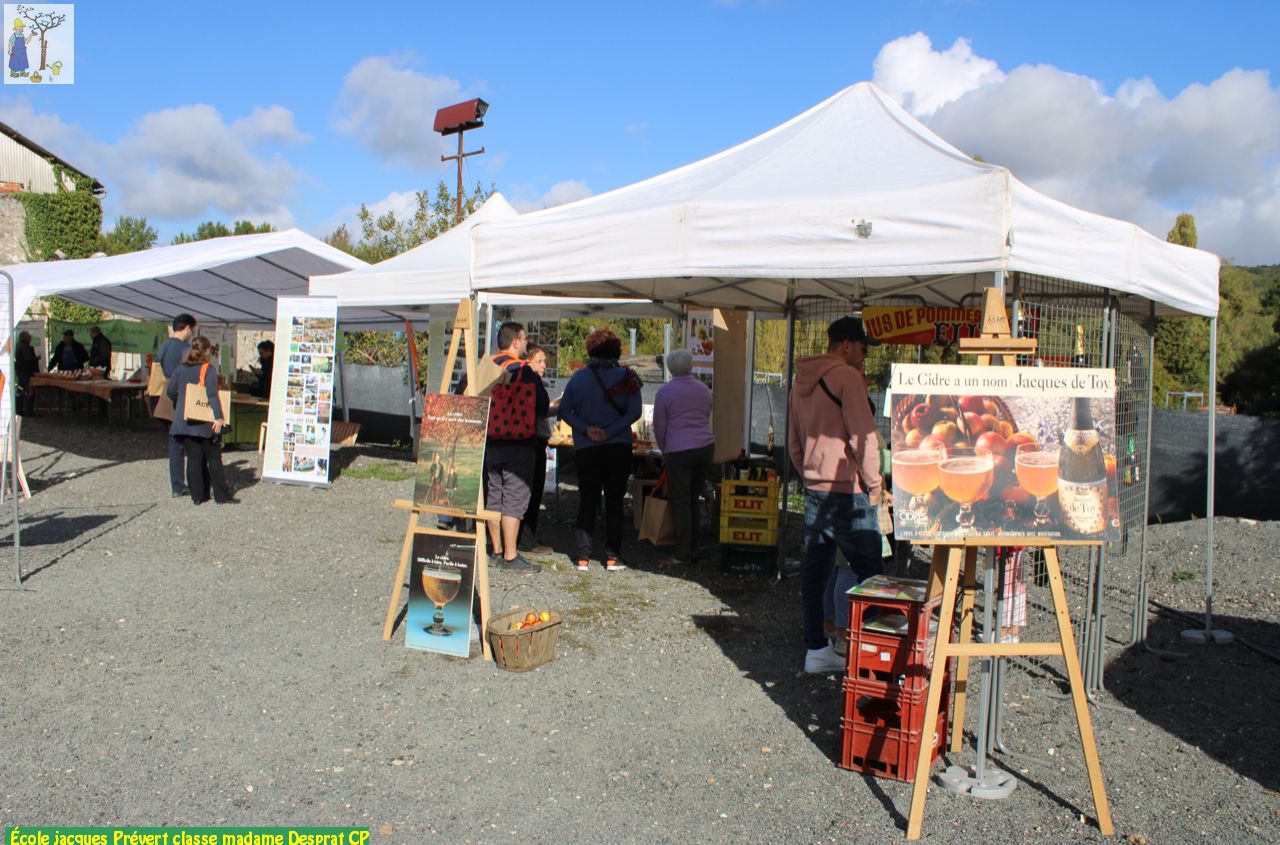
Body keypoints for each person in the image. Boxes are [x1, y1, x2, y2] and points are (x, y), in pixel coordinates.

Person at [788, 316, 884, 674]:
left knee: (816, 572)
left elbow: (794, 443)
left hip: (815, 490)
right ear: (846, 345)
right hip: (847, 491)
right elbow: (864, 438)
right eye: (863, 348)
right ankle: (872, 656)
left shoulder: (799, 383)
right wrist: (875, 485)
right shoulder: (847, 378)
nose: (865, 355)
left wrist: (811, 474)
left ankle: (816, 649)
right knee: (872, 573)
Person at [557, 328, 642, 572]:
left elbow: (564, 411)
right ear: (616, 351)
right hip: (618, 446)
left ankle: (582, 556)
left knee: (588, 499)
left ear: (591, 350)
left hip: (587, 447)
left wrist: (587, 430)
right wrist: (610, 431)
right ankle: (613, 556)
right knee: (615, 500)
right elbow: (634, 412)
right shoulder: (628, 378)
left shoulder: (579, 378)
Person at [483, 322, 549, 573]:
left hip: (491, 439)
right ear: (515, 342)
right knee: (515, 495)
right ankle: (511, 556)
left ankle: (496, 550)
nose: (525, 343)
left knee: (494, 493)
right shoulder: (524, 371)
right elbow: (542, 406)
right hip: (519, 440)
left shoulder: (487, 365)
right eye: (523, 339)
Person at [652, 348, 715, 566]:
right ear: (690, 365)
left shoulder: (665, 392)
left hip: (679, 450)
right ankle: (693, 548)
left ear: (670, 368)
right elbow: (706, 415)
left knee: (681, 502)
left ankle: (682, 553)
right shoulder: (703, 389)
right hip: (705, 447)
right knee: (693, 500)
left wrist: (664, 450)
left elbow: (659, 426)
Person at [165, 336, 236, 505]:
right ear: (206, 351)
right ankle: (221, 495)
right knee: (213, 458)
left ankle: (197, 496)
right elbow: (212, 394)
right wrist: (219, 417)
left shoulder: (181, 369)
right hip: (204, 420)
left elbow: (170, 391)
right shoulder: (208, 369)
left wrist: (182, 403)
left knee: (194, 458)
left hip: (185, 421)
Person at [518, 343, 556, 555]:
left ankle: (525, 537)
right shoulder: (531, 380)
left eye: (544, 361)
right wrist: (559, 407)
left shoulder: (522, 379)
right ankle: (526, 540)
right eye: (539, 361)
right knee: (531, 492)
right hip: (533, 440)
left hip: (529, 439)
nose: (543, 365)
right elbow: (541, 409)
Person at [157, 314, 198, 497]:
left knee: (174, 442)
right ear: (187, 328)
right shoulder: (186, 349)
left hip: (167, 394)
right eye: (192, 330)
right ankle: (195, 483)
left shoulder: (165, 345)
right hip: (185, 395)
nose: (192, 333)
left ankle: (177, 485)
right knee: (192, 442)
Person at [14, 330, 39, 416]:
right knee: (30, 391)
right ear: (25, 338)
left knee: (21, 391)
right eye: (29, 336)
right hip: (26, 372)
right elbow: (28, 359)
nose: (30, 337)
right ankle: (29, 412)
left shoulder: (18, 345)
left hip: (20, 371)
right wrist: (36, 358)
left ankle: (18, 410)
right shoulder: (25, 347)